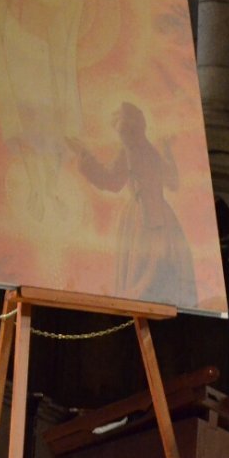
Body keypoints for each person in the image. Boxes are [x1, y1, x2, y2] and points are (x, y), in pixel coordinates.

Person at [68, 101, 198, 307]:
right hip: (155, 218)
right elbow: (170, 181)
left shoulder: (136, 151)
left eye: (126, 129)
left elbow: (111, 181)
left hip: (146, 221)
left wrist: (84, 155)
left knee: (148, 275)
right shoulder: (147, 150)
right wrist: (166, 150)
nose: (124, 134)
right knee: (150, 275)